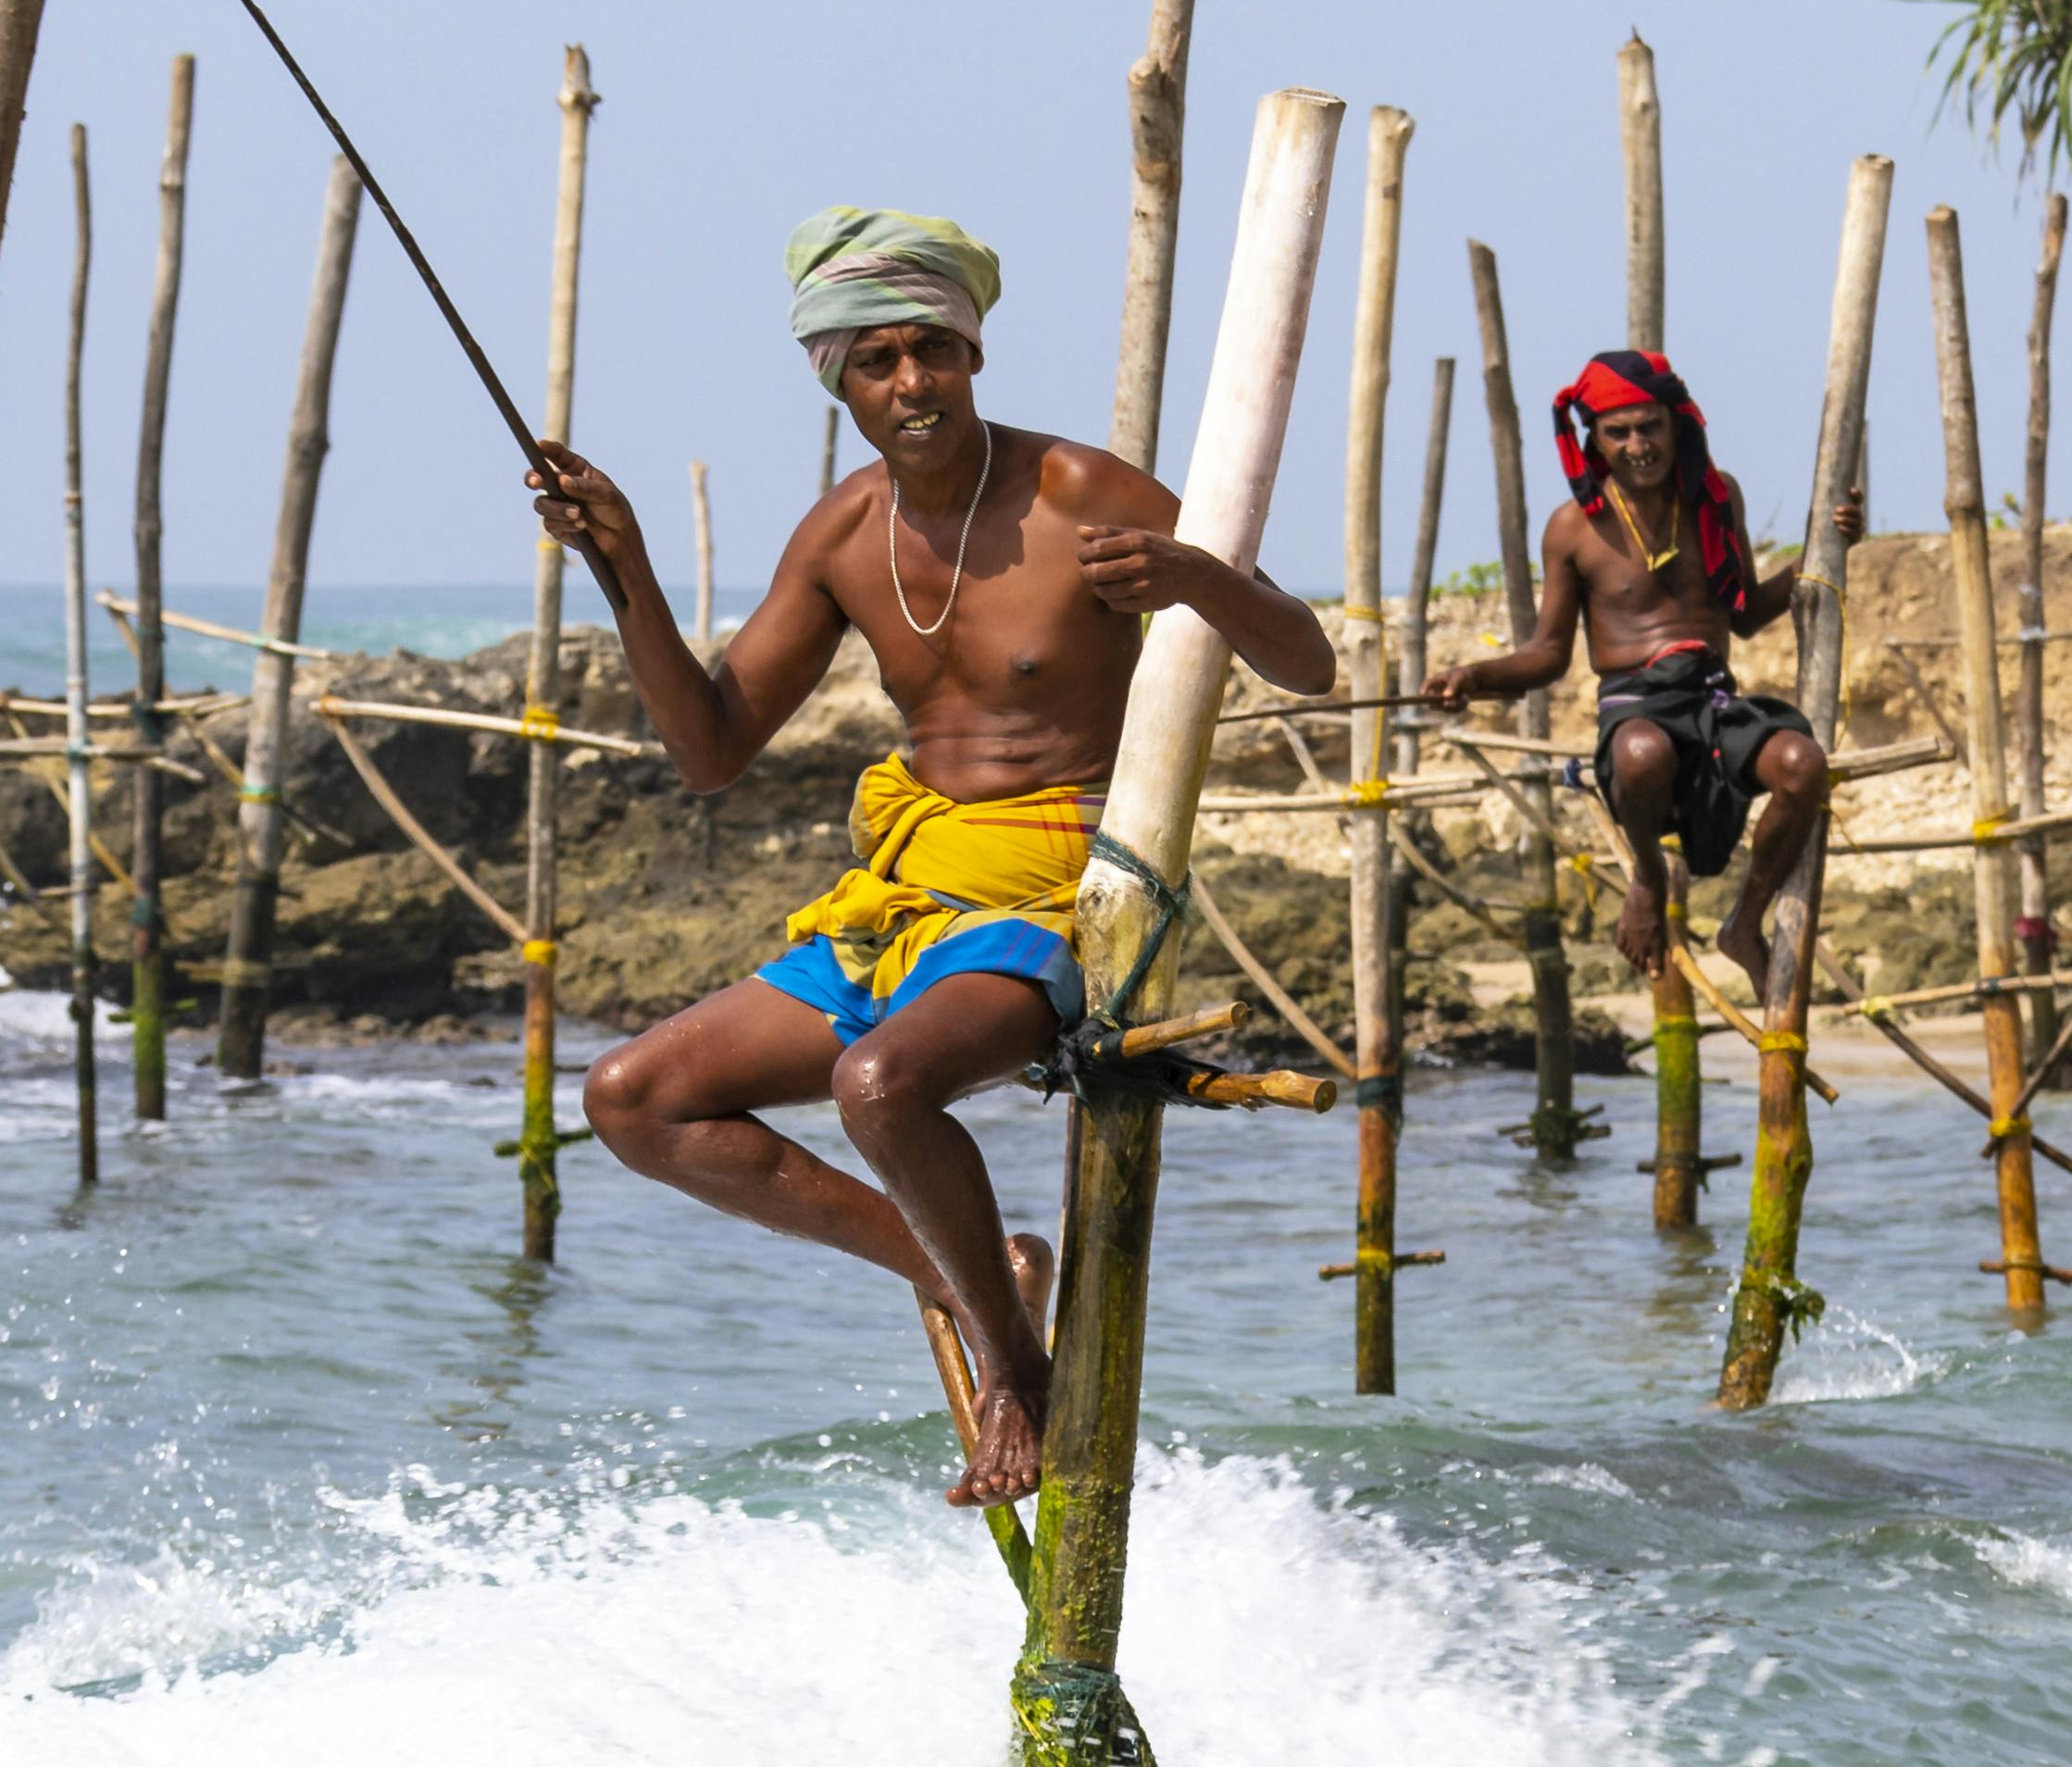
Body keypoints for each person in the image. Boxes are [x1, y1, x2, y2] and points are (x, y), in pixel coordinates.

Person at [526, 205, 1340, 1510]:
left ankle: (1017, 1370)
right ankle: (966, 1265)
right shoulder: (843, 534)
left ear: (972, 350)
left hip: (1057, 888)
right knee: (633, 1096)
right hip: (905, 891)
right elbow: (712, 746)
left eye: (932, 350)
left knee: (880, 1081)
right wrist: (624, 569)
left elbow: (1308, 660)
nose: (912, 382)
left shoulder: (1082, 493)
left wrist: (1195, 572)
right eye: (877, 360)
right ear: (838, 381)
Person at [1426, 349, 1849, 985]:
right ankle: (1647, 883)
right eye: (1617, 432)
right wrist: (1474, 676)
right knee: (1642, 753)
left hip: (1710, 696)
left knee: (1802, 765)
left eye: (1649, 426)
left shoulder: (1713, 495)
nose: (1638, 445)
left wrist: (1825, 547)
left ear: (1675, 423)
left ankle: (1743, 924)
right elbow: (1548, 655)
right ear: (1593, 439)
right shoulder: (1572, 529)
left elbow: (1745, 612)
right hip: (1634, 704)